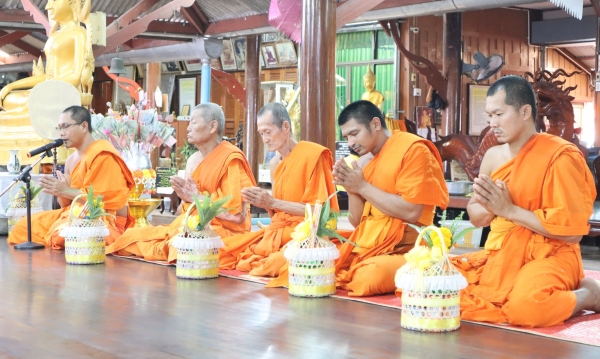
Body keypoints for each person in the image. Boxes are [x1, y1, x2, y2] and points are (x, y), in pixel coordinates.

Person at [450, 75, 600, 328]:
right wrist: (490, 208)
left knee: (526, 308)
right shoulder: (492, 156)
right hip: (502, 254)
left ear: (525, 112)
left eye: (499, 114)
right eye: (489, 116)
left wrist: (508, 210)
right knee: (430, 281)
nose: (492, 123)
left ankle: (588, 295)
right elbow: (476, 213)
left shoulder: (560, 156)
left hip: (550, 254)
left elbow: (571, 233)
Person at [106, 103, 256, 262]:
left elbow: (237, 216)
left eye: (193, 122)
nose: (188, 128)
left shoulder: (231, 160)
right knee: (132, 237)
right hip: (191, 226)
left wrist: (196, 198)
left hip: (223, 233)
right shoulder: (193, 160)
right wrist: (186, 199)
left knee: (181, 247)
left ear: (212, 126)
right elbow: (182, 210)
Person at [333, 100, 448, 296]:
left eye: (354, 133)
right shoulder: (363, 162)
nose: (350, 143)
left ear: (375, 124)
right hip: (369, 246)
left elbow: (411, 212)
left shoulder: (413, 150)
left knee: (369, 275)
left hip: (407, 249)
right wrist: (351, 188)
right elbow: (357, 222)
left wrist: (362, 186)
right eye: (346, 137)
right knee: (322, 258)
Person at [219, 102, 338, 279]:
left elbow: (319, 212)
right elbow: (277, 212)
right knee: (225, 251)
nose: (265, 139)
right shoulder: (275, 163)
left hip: (306, 231)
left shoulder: (313, 156)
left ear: (285, 127)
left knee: (273, 263)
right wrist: (262, 202)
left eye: (268, 132)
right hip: (279, 230)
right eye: (261, 134)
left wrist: (271, 202)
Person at [8, 106, 134, 248]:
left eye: (66, 126)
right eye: (59, 128)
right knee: (24, 227)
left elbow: (100, 200)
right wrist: (61, 191)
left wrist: (65, 190)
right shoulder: (70, 160)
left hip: (104, 219)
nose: (61, 133)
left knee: (64, 234)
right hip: (74, 214)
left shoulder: (103, 155)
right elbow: (66, 205)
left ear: (84, 126)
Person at [0, 0, 93, 164]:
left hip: (61, 93)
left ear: (72, 2)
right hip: (47, 91)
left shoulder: (78, 33)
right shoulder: (54, 36)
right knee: (10, 99)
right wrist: (12, 86)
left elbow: (76, 75)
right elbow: (47, 76)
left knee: (35, 100)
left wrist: (46, 89)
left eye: (55, 0)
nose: (49, 6)